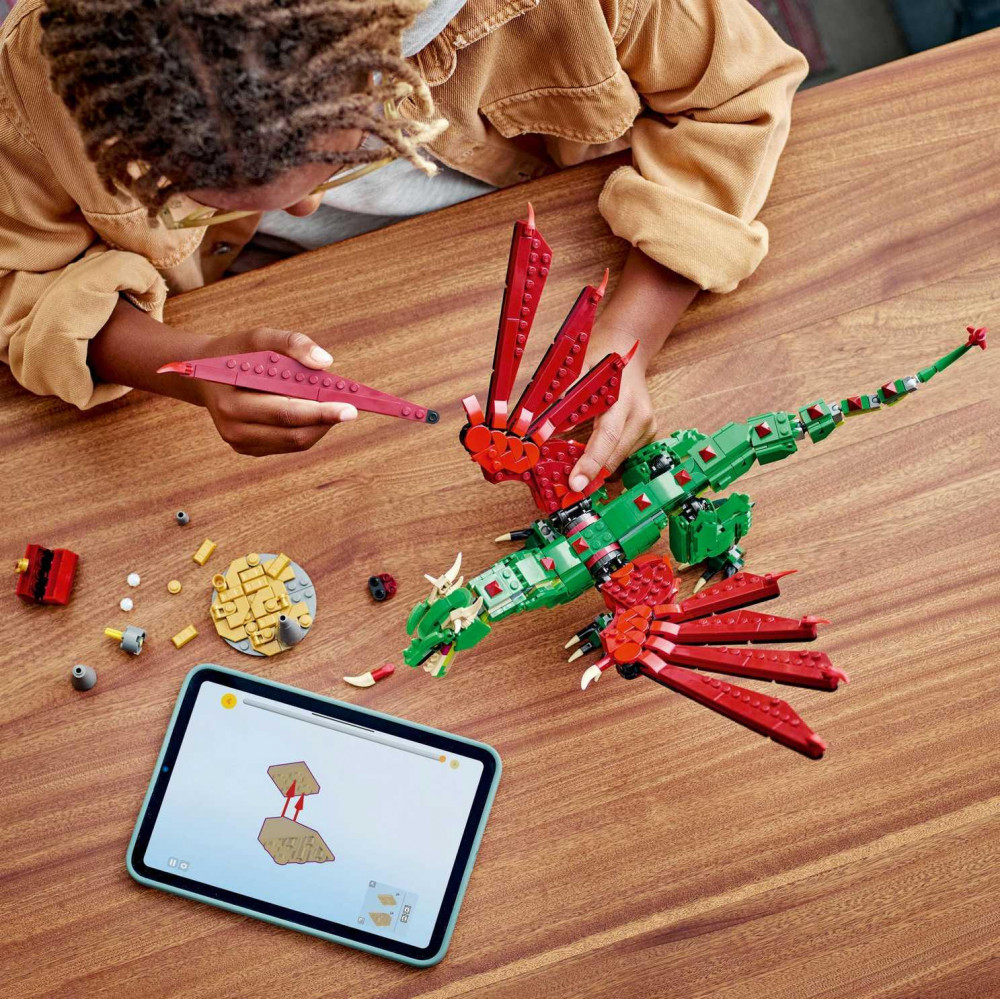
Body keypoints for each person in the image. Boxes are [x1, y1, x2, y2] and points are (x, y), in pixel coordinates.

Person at [0, 0, 807, 481]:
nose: (307, 208)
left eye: (340, 159)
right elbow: (20, 281)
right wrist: (188, 365)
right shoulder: (55, 63)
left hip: (549, 239)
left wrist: (627, 338)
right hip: (291, 295)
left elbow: (739, 97)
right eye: (204, 202)